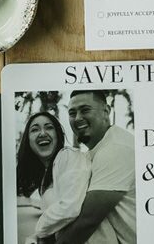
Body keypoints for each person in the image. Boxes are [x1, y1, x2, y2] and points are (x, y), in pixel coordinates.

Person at [54, 90, 137, 244]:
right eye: (72, 113)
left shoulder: (116, 149)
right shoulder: (98, 150)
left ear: (106, 111)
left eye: (85, 110)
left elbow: (87, 221)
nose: (78, 118)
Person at [15, 111, 104, 244]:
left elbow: (70, 208)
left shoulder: (68, 156)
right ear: (28, 140)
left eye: (49, 127)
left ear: (58, 135)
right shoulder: (46, 175)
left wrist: (39, 232)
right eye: (35, 129)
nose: (43, 133)